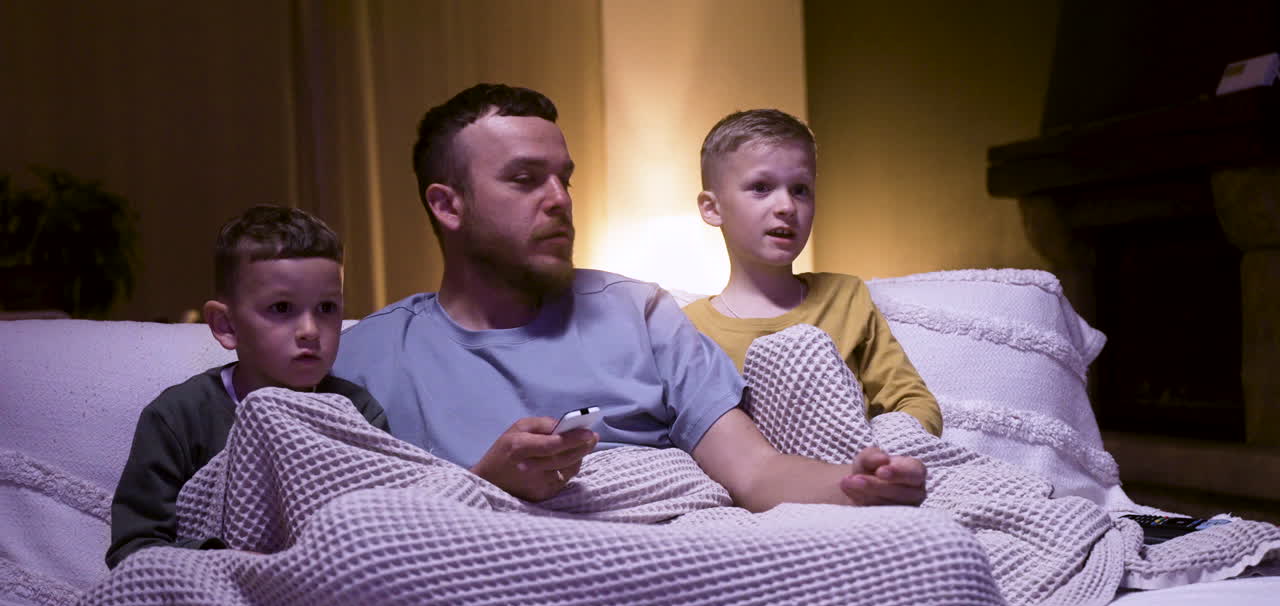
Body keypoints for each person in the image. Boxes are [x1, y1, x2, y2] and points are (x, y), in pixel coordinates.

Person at [333, 83, 925, 512]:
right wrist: (485, 482)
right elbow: (339, 526)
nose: (559, 198)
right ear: (447, 205)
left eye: (563, 178)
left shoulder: (640, 313)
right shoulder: (365, 357)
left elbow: (756, 471)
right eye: (523, 179)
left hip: (671, 559)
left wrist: (854, 487)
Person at [105, 205, 389, 569]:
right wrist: (228, 561)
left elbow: (386, 521)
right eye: (282, 307)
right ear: (226, 325)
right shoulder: (178, 418)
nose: (310, 330)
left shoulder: (357, 411)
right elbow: (132, 549)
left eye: (327, 308)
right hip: (214, 591)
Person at [683, 108, 943, 436]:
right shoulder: (687, 330)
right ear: (712, 208)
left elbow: (912, 401)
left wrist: (887, 457)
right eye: (761, 187)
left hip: (856, 470)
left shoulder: (847, 298)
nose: (787, 206)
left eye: (800, 190)